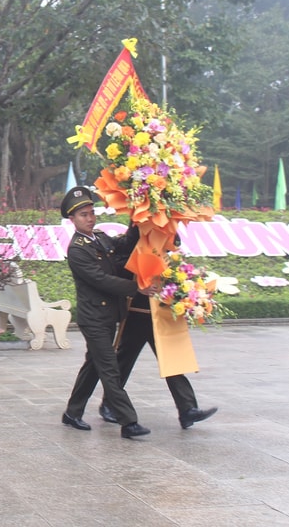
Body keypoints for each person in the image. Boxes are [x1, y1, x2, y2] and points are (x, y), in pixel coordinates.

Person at [60, 186, 157, 439]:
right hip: (93, 318)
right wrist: (137, 288)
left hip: (108, 317)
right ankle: (129, 421)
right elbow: (102, 280)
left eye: (92, 213)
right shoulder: (77, 249)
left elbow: (125, 243)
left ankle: (72, 412)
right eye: (83, 215)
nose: (90, 218)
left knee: (93, 365)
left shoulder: (100, 237)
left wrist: (137, 216)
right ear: (72, 220)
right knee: (109, 368)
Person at [99, 236, 218, 430]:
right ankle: (109, 404)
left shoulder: (166, 254)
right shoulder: (131, 245)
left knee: (172, 361)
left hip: (160, 315)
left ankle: (187, 409)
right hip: (136, 315)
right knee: (123, 362)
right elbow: (119, 272)